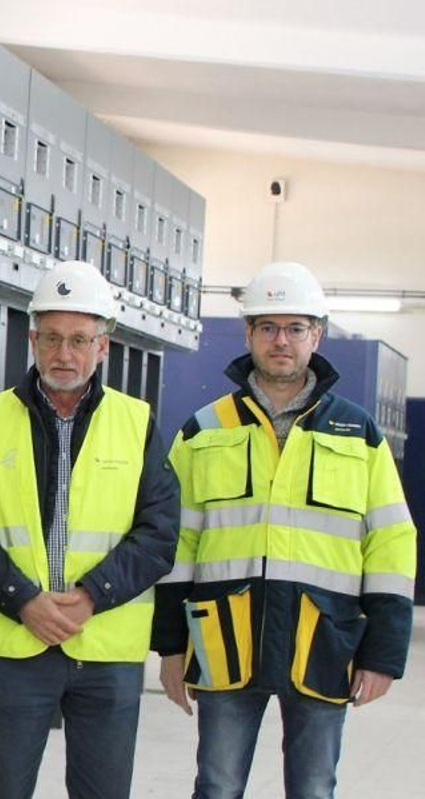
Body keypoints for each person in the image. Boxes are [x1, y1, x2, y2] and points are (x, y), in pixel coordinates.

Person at [155, 261, 416, 798]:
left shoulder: (357, 432)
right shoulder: (204, 430)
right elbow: (176, 544)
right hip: (225, 638)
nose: (281, 340)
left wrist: (383, 653)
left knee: (314, 789)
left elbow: (390, 540)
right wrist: (171, 647)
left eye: (295, 328)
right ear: (248, 333)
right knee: (217, 787)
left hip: (322, 638)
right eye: (268, 327)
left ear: (315, 335)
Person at [0, 259, 180, 799]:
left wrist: (93, 595)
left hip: (105, 650)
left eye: (78, 339)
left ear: (103, 346)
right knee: (4, 789)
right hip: (16, 643)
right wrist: (23, 600)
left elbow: (160, 531)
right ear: (32, 339)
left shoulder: (136, 422)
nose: (63, 354)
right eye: (51, 338)